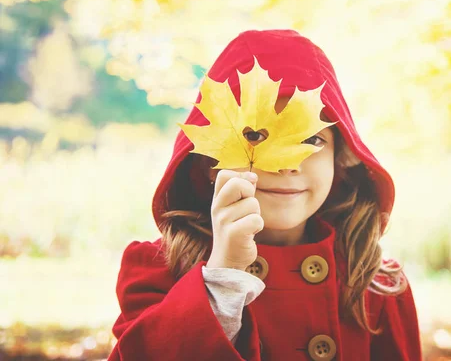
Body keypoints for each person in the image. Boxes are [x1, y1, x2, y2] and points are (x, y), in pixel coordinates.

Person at [108, 29, 421, 361]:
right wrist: (222, 279)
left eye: (312, 140)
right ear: (206, 162)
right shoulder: (156, 272)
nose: (287, 165)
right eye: (255, 134)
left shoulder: (378, 284)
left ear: (340, 161)